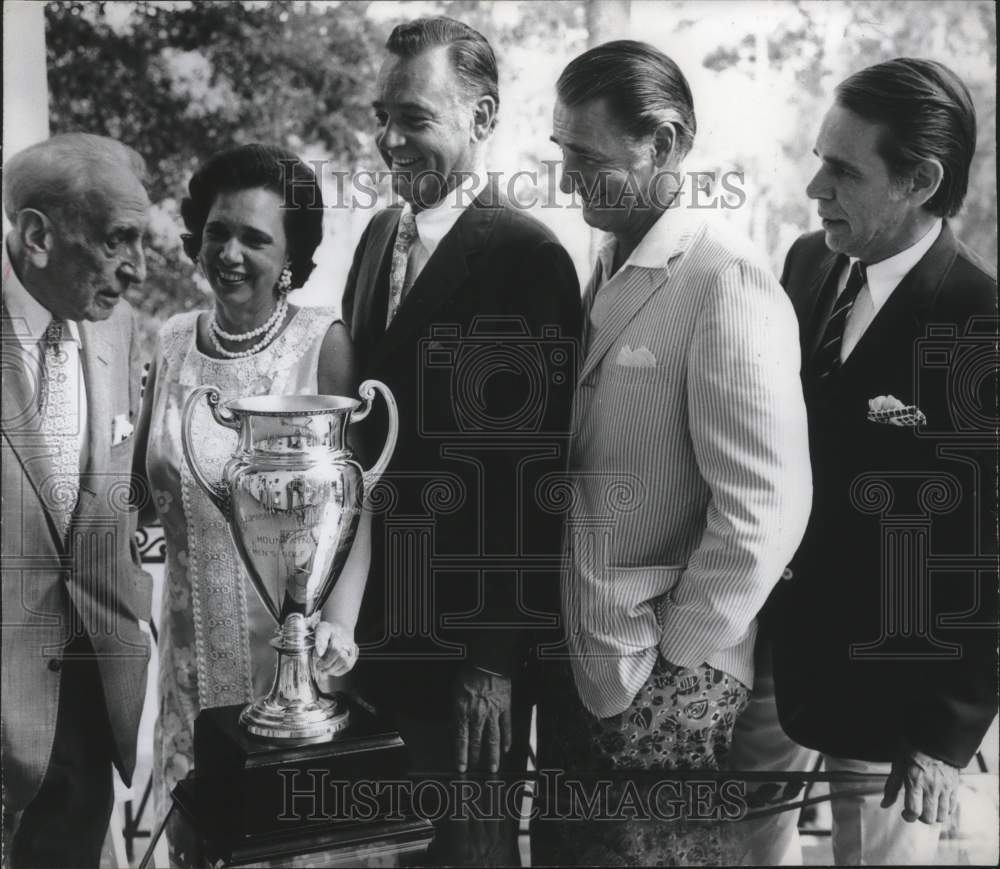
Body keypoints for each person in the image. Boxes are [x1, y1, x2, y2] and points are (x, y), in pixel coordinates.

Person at [532, 41, 812, 866]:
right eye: (560, 154)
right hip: (588, 664)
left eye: (585, 157)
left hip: (665, 684)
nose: (565, 177)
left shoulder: (727, 281)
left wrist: (677, 662)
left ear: (662, 142)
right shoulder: (607, 259)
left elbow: (767, 508)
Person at [733, 58, 999, 866]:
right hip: (773, 648)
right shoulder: (806, 265)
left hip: (895, 685)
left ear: (920, 179)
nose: (816, 189)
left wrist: (946, 733)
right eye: (819, 159)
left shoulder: (979, 324)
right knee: (738, 849)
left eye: (843, 170)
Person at [341, 15, 581, 864]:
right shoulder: (375, 240)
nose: (389, 138)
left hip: (464, 651)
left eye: (415, 117)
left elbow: (531, 477)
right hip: (371, 633)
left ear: (482, 119)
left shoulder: (528, 256)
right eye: (383, 115)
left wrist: (492, 658)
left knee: (466, 853)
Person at [131, 143, 367, 867]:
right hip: (189, 663)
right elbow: (140, 490)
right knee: (201, 842)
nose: (230, 253)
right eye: (217, 232)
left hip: (291, 660)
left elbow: (358, 500)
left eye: (256, 239)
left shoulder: (320, 341)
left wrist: (341, 627)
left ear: (291, 255)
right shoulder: (171, 340)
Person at [1, 133, 153, 867]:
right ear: (36, 235)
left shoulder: (114, 327)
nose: (138, 269)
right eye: (118, 240)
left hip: (92, 703)